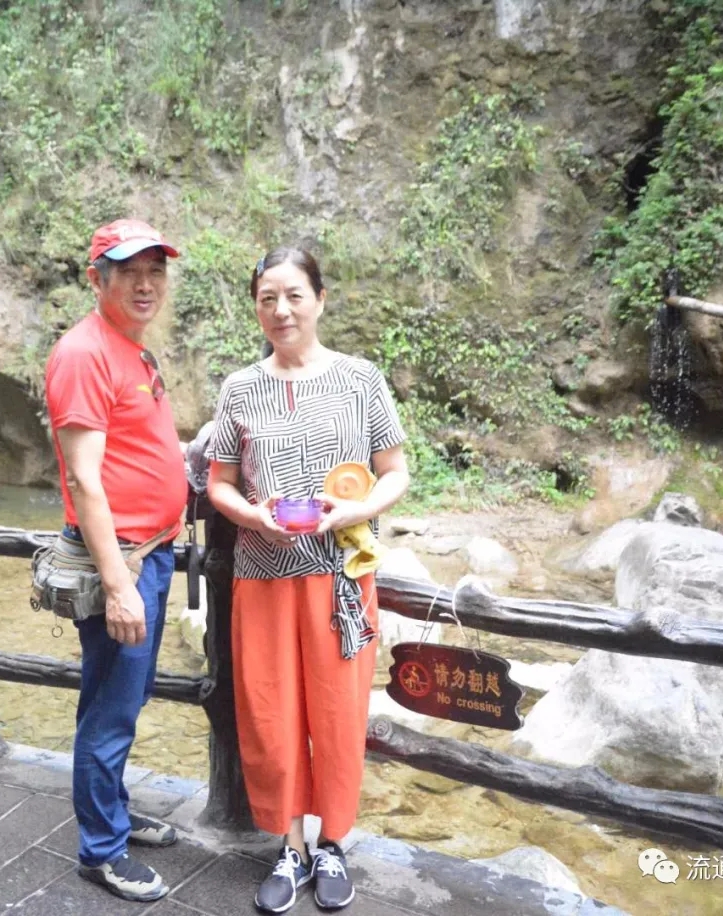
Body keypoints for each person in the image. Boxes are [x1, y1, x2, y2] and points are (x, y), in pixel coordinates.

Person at [205, 247, 410, 913]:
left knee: (338, 715)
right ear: (256, 307)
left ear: (320, 299)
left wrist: (357, 510)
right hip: (262, 575)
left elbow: (396, 472)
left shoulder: (360, 379)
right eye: (267, 298)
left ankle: (333, 844)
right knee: (270, 715)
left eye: (294, 295)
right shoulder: (239, 389)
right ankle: (290, 848)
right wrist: (252, 516)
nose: (281, 310)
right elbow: (219, 482)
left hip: (340, 581)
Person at [43, 218, 187, 903]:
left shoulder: (132, 349)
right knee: (110, 708)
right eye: (129, 271)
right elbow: (84, 479)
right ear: (96, 278)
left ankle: (115, 814)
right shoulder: (84, 353)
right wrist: (118, 585)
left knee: (123, 698)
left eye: (155, 270)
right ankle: (101, 849)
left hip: (150, 553)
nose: (145, 283)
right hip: (121, 564)